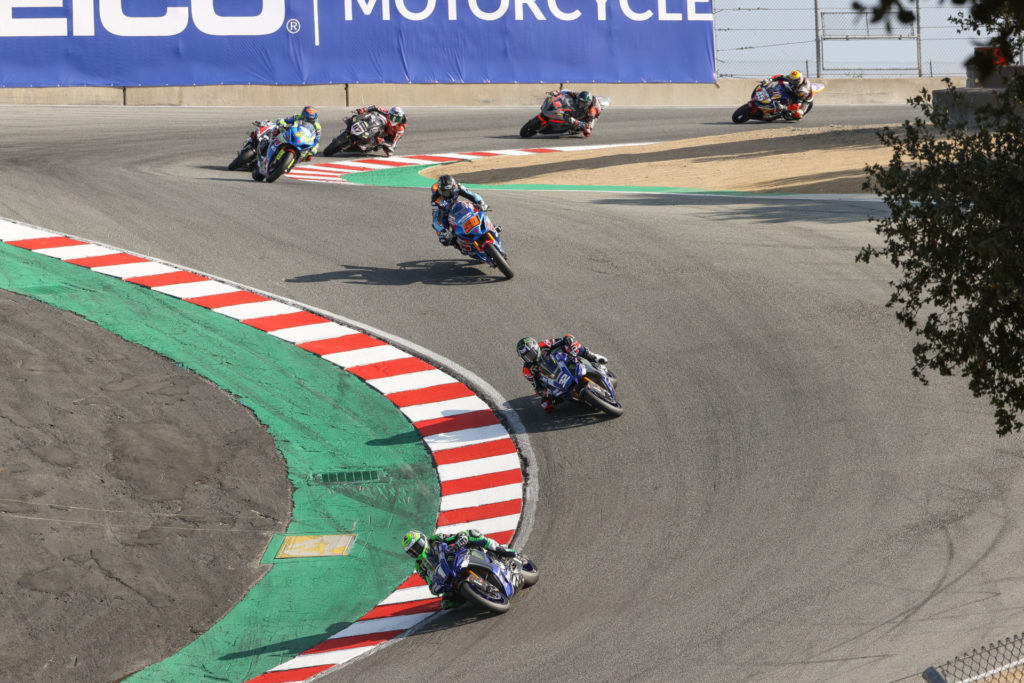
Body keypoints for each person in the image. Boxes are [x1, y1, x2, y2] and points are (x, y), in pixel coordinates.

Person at [403, 529, 516, 609]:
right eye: (412, 552)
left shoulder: (435, 539)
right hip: (449, 577)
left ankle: (500, 549)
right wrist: (434, 587)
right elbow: (429, 582)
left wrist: (460, 539)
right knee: (447, 604)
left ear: (423, 540)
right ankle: (473, 595)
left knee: (473, 534)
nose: (416, 551)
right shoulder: (420, 566)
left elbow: (453, 537)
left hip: (458, 557)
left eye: (416, 547)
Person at [517, 335, 609, 412]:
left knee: (571, 342)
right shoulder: (527, 370)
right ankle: (573, 397)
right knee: (546, 406)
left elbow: (563, 339)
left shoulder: (544, 344)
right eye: (525, 357)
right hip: (553, 379)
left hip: (563, 361)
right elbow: (536, 385)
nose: (528, 358)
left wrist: (569, 342)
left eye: (529, 354)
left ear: (535, 348)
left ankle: (592, 356)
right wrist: (542, 391)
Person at [430, 174, 488, 247]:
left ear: (453, 188)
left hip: (457, 207)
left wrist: (481, 202)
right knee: (444, 240)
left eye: (447, 192)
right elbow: (436, 221)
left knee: (479, 209)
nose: (445, 194)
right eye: (443, 192)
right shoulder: (435, 200)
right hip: (444, 215)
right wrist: (442, 231)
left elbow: (473, 195)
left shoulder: (458, 187)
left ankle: (487, 225)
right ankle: (461, 245)